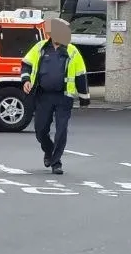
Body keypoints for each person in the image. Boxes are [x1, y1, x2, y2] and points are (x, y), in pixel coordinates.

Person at [20, 18, 90, 174]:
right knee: (40, 130)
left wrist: (84, 98)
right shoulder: (40, 48)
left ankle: (56, 162)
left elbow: (81, 75)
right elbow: (26, 64)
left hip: (63, 97)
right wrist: (25, 80)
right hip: (43, 95)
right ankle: (49, 151)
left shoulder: (72, 51)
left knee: (61, 131)